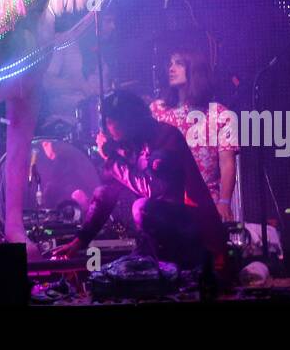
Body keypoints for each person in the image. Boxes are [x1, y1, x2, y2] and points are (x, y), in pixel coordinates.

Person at [51, 92, 227, 273]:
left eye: (111, 121)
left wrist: (112, 160)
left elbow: (152, 187)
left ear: (128, 120)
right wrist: (80, 240)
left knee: (141, 207)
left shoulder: (165, 137)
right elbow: (106, 194)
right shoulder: (129, 144)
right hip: (154, 237)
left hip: (188, 229)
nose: (108, 129)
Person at [151, 48, 239, 222]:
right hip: (165, 202)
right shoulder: (158, 110)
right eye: (170, 63)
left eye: (179, 63)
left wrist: (224, 202)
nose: (171, 68)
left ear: (195, 70)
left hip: (205, 202)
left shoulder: (221, 114)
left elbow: (227, 163)